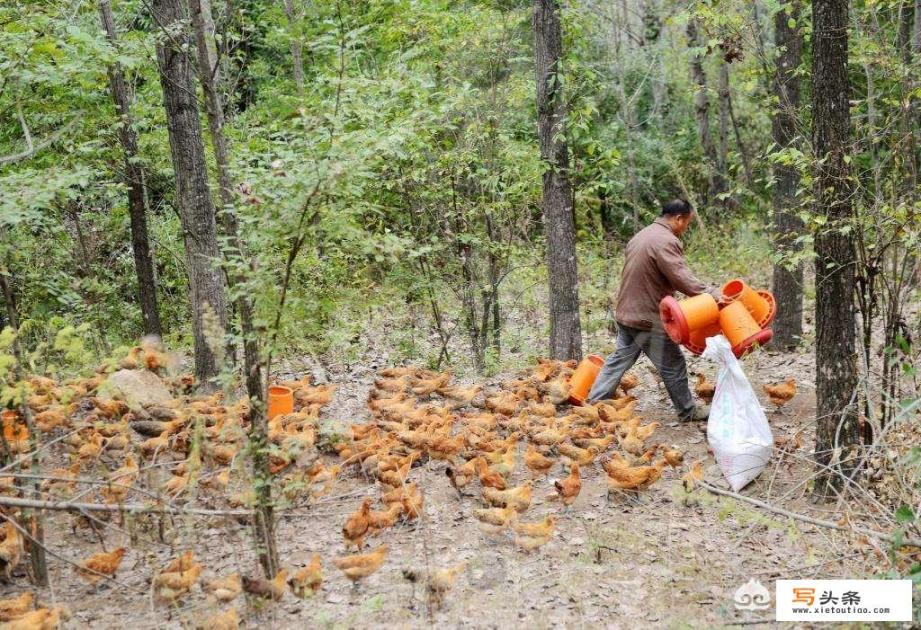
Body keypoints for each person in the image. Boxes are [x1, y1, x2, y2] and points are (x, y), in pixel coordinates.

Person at [587, 199, 719, 421]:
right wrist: (710, 293)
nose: (686, 227)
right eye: (687, 222)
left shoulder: (642, 235)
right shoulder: (666, 241)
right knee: (672, 363)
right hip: (647, 317)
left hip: (626, 312)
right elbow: (681, 277)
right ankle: (688, 411)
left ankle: (594, 403)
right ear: (679, 218)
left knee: (620, 358)